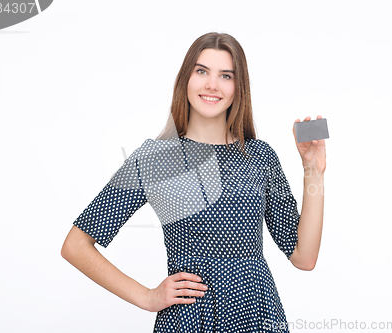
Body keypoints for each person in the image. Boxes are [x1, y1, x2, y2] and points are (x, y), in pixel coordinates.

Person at [61, 32, 326, 333]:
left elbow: (304, 257)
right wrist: (147, 297)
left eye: (225, 75)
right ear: (186, 78)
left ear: (239, 88)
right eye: (202, 71)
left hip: (258, 317)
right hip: (189, 321)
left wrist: (313, 171)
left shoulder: (260, 156)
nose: (212, 84)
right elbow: (76, 245)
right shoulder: (154, 158)